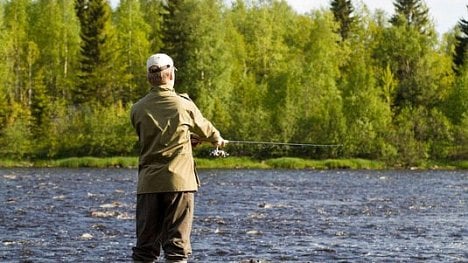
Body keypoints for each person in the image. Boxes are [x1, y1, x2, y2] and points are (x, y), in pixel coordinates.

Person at [130, 53, 227, 263]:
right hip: (179, 183)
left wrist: (184, 138)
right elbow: (209, 131)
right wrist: (217, 140)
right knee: (176, 248)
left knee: (145, 249)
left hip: (149, 184)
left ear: (149, 77)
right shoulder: (184, 104)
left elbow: (154, 137)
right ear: (171, 75)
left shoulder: (137, 109)